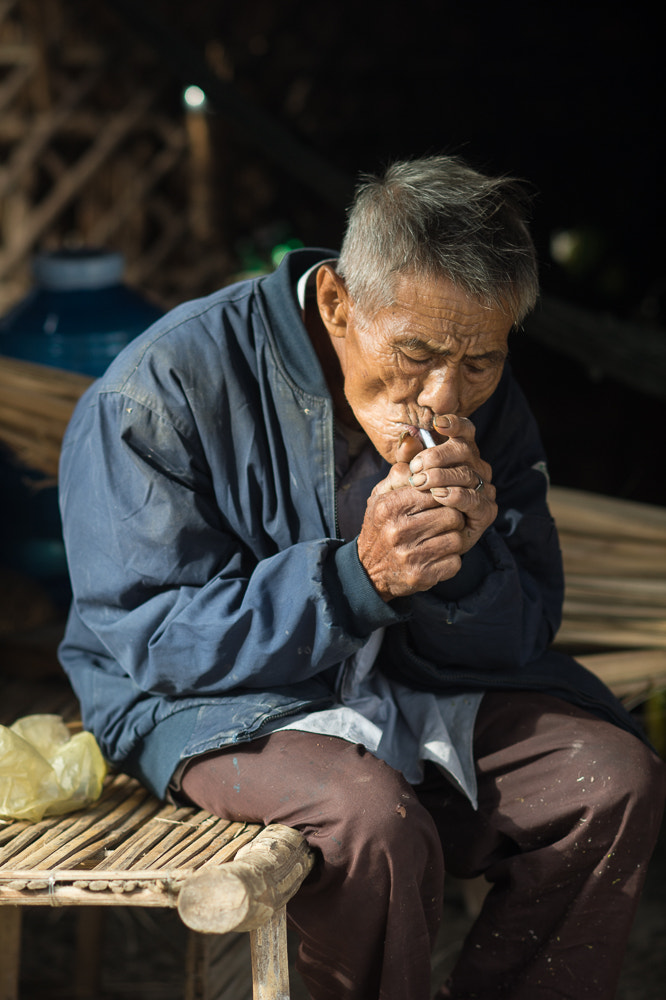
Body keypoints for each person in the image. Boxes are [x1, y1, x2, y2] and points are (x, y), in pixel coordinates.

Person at [58, 155, 665, 1000]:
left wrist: (469, 561)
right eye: (416, 353)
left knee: (610, 781)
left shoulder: (483, 393)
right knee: (372, 821)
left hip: (408, 684)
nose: (447, 395)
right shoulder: (158, 391)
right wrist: (358, 579)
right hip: (210, 703)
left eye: (481, 361)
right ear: (340, 304)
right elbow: (155, 641)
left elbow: (526, 630)